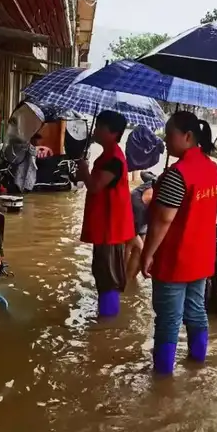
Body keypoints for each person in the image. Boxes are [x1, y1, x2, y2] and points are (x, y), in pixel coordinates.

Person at [141, 111, 217, 375]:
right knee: (196, 310)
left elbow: (164, 220)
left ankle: (162, 378)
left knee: (169, 319)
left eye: (169, 133)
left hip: (175, 258)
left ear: (187, 136)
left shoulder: (178, 173)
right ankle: (198, 362)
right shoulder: (211, 167)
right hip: (201, 257)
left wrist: (148, 253)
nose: (165, 139)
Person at [78, 110, 135, 317]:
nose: (96, 130)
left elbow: (95, 186)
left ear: (113, 133)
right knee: (102, 272)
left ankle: (108, 322)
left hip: (111, 229)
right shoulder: (107, 156)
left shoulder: (114, 159)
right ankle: (106, 321)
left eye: (100, 127)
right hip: (106, 226)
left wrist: (84, 171)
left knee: (108, 276)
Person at [125, 171, 156, 281]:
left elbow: (143, 173)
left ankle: (130, 279)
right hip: (129, 219)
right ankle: (126, 280)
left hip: (142, 222)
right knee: (137, 248)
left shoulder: (153, 182)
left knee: (139, 250)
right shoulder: (139, 207)